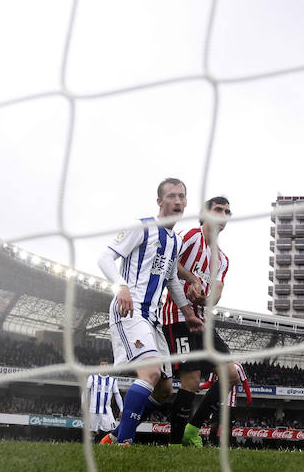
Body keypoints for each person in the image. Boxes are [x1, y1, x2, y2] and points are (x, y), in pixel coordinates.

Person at [97, 177, 191, 445]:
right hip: (130, 309)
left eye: (182, 197)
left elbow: (171, 280)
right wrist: (121, 287)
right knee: (149, 373)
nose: (177, 201)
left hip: (152, 318)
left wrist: (188, 312)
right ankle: (123, 442)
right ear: (160, 201)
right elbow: (104, 258)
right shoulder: (142, 227)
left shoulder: (175, 242)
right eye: (172, 196)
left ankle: (115, 434)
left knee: (163, 389)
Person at [161, 196, 244, 448]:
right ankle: (175, 445)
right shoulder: (191, 237)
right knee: (192, 380)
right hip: (178, 315)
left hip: (204, 320)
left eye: (227, 211)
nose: (223, 213)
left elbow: (217, 292)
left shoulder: (223, 259)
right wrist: (192, 280)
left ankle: (192, 428)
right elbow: (168, 263)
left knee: (231, 374)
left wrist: (207, 298)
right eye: (218, 209)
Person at [83, 359, 123, 441]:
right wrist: (83, 403)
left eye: (106, 365)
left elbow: (117, 394)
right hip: (93, 409)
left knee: (113, 431)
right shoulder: (92, 378)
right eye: (102, 364)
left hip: (107, 410)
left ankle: (109, 448)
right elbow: (85, 391)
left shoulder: (112, 380)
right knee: (92, 431)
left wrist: (121, 409)